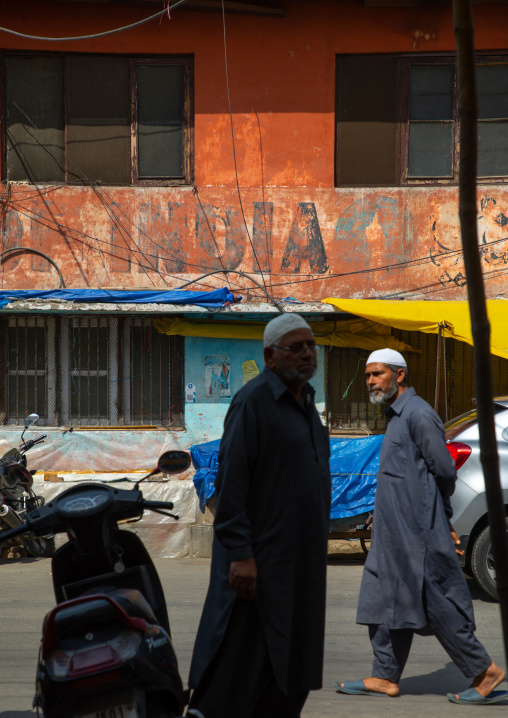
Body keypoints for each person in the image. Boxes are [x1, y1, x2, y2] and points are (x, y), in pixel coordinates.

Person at [336, 348, 507, 706]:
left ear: (399, 375)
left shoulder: (419, 415)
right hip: (390, 533)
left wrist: (440, 518)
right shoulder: (396, 416)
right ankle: (384, 676)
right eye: (368, 375)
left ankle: (485, 670)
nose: (371, 381)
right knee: (380, 599)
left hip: (417, 533)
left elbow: (444, 471)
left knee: (437, 604)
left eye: (378, 374)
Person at [187, 313, 331, 718]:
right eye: (295, 347)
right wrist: (240, 554)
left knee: (290, 673)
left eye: (310, 346)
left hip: (299, 571)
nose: (306, 354)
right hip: (258, 569)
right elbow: (231, 486)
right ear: (270, 356)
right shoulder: (252, 403)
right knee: (239, 674)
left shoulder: (306, 404)